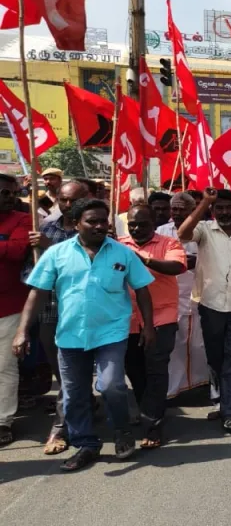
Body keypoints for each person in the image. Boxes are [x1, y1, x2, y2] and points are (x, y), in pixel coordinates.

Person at [15, 198, 155, 471]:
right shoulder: (57, 254)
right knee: (74, 393)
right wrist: (22, 331)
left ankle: (121, 430)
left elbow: (143, 290)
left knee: (112, 384)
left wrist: (149, 326)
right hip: (70, 334)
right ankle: (86, 445)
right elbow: (38, 292)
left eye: (104, 220)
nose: (100, 226)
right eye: (92, 221)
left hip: (111, 332)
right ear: (77, 223)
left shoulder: (122, 253)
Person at [176, 188, 231, 435]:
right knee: (215, 357)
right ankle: (220, 400)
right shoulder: (204, 229)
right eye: (219, 208)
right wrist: (205, 203)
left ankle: (230, 411)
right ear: (213, 211)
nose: (224, 212)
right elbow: (182, 234)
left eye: (228, 207)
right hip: (211, 304)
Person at [28, 179, 90, 455]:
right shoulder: (45, 228)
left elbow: (84, 263)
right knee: (63, 373)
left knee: (72, 373)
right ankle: (81, 403)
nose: (67, 206)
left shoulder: (95, 229)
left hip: (81, 313)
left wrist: (49, 245)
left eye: (73, 200)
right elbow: (31, 274)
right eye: (62, 200)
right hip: (50, 311)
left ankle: (60, 425)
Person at [118, 205, 187, 448]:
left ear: (153, 224)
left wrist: (143, 259)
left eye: (142, 224)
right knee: (135, 370)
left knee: (156, 370)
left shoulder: (169, 244)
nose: (137, 229)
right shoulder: (118, 244)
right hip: (127, 319)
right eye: (132, 224)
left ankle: (153, 424)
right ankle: (148, 410)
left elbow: (177, 267)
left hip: (161, 317)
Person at [155, 192, 211, 399]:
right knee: (174, 346)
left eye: (182, 209)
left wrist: (197, 262)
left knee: (197, 344)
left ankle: (199, 381)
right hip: (169, 294)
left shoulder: (203, 230)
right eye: (174, 209)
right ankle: (173, 389)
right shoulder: (161, 231)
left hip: (197, 293)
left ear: (192, 210)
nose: (177, 213)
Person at [0, 173, 31, 446]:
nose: (7, 198)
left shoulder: (22, 220)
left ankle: (3, 421)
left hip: (9, 306)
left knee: (4, 366)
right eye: (2, 193)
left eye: (10, 193)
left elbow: (17, 250)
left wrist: (6, 246)